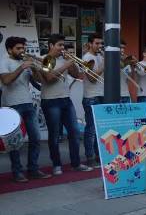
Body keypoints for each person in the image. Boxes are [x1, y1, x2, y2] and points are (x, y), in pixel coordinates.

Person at [0, 36, 52, 182]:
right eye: (18, 48)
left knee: (35, 138)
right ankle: (17, 172)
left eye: (23, 48)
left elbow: (39, 82)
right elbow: (6, 80)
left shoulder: (25, 62)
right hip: (11, 105)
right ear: (9, 49)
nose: (22, 51)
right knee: (14, 142)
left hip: (28, 104)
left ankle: (33, 169)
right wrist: (22, 67)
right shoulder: (4, 62)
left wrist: (35, 69)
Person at [40, 34, 93, 175]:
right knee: (54, 134)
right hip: (51, 100)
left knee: (75, 132)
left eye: (63, 45)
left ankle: (75, 163)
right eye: (59, 45)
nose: (62, 48)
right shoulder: (47, 59)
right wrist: (66, 65)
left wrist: (72, 62)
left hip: (65, 100)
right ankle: (56, 164)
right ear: (51, 45)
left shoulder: (64, 59)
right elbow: (49, 77)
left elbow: (79, 76)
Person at [81, 33, 104, 168]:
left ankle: (98, 155)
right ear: (90, 44)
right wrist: (105, 64)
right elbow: (92, 78)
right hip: (91, 97)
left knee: (99, 129)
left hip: (101, 95)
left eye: (101, 43)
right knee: (91, 129)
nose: (99, 46)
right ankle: (89, 157)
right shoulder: (87, 58)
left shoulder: (100, 56)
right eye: (97, 43)